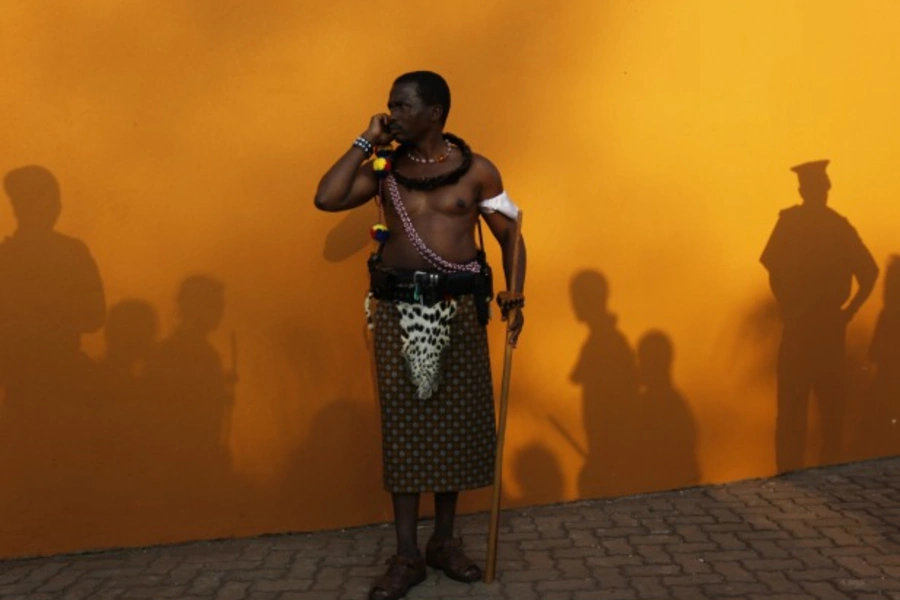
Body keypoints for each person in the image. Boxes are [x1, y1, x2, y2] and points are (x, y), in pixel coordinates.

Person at [314, 71, 525, 600]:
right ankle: (406, 554)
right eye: (390, 105)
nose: (392, 112)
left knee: (452, 429)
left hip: (459, 310)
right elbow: (327, 197)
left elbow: (513, 235)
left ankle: (444, 543)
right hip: (397, 309)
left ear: (434, 113)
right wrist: (366, 140)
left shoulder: (478, 171)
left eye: (402, 106)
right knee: (405, 433)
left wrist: (515, 295)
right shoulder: (384, 169)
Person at [760, 160, 877, 473]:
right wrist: (846, 314)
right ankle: (818, 476)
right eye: (819, 187)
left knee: (802, 412)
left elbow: (771, 266)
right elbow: (869, 274)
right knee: (822, 412)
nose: (821, 193)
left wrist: (843, 313)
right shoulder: (835, 226)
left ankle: (792, 476)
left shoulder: (798, 224)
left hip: (808, 327)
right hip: (820, 327)